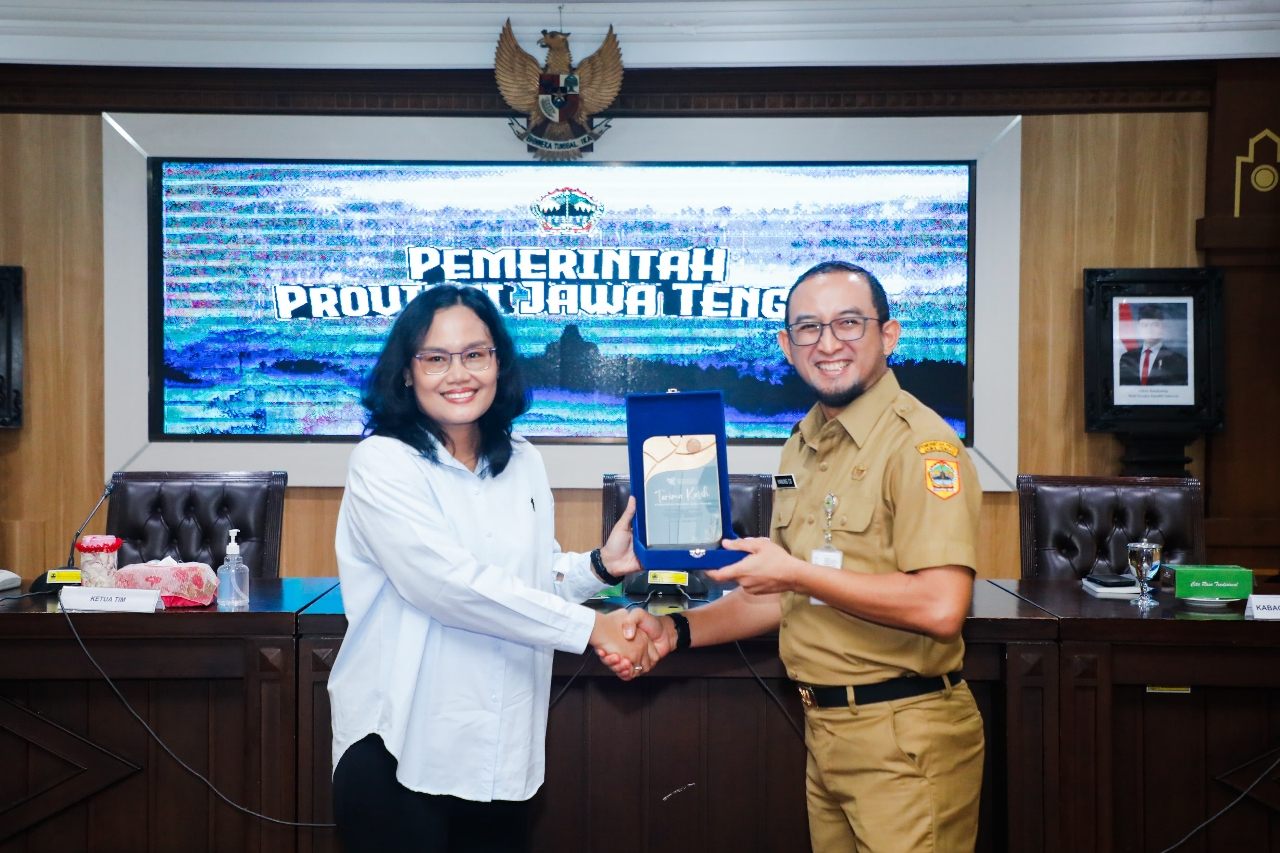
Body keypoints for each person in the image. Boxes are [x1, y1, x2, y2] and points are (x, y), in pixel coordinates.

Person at [606, 261, 986, 852]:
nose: (828, 343)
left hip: (904, 737)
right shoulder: (804, 443)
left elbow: (941, 607)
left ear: (889, 335)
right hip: (826, 731)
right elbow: (789, 598)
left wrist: (792, 571)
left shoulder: (921, 445)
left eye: (849, 323)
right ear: (787, 345)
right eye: (808, 328)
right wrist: (673, 631)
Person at [327, 285, 655, 853]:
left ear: (499, 363)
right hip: (401, 742)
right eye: (436, 358)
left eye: (475, 354)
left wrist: (601, 567)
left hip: (500, 748)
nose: (459, 374)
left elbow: (530, 577)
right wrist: (592, 628)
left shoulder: (522, 459)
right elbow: (446, 586)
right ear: (407, 372)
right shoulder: (381, 462)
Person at [1117, 303, 1188, 385]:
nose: (1149, 330)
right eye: (1144, 325)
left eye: (1155, 325)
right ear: (1139, 329)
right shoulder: (1126, 358)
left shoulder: (1178, 361)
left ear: (1163, 328)